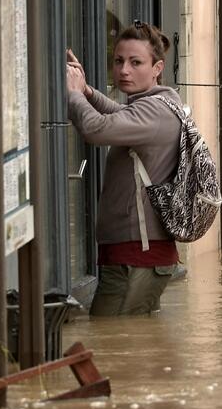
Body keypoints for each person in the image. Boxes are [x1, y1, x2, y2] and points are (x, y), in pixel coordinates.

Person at [66, 21, 182, 316]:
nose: (124, 70)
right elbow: (119, 114)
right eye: (118, 61)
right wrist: (88, 91)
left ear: (157, 68)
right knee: (135, 345)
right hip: (138, 255)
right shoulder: (159, 104)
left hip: (136, 257)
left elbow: (96, 128)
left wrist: (74, 94)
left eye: (136, 62)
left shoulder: (153, 110)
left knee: (111, 340)